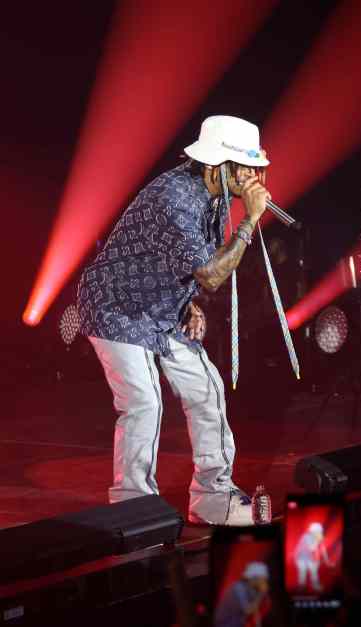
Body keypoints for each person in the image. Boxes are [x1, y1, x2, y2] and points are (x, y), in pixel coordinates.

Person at [76, 115, 272, 525]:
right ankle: (133, 508)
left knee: (207, 389)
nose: (255, 175)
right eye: (248, 166)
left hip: (163, 308)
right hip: (118, 306)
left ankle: (213, 499)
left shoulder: (214, 192)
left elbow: (191, 264)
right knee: (143, 401)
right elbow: (212, 275)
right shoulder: (175, 199)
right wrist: (252, 220)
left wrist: (188, 301)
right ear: (219, 164)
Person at [213, 561, 271, 627]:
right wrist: (261, 594)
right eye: (262, 579)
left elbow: (256, 610)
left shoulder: (252, 589)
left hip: (238, 623)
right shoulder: (239, 589)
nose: (264, 582)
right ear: (254, 578)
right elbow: (248, 611)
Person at [294, 521, 335, 593]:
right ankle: (301, 586)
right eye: (318, 531)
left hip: (311, 558)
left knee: (314, 572)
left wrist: (327, 561)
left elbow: (323, 549)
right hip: (301, 557)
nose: (320, 532)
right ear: (313, 531)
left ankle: (315, 585)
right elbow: (311, 548)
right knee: (302, 572)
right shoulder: (306, 536)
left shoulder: (318, 537)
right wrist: (318, 540)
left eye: (320, 531)